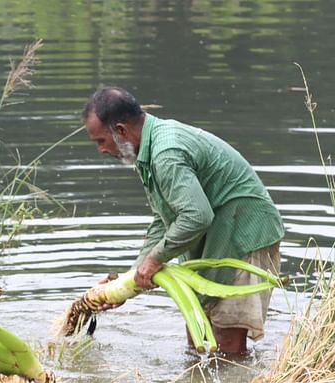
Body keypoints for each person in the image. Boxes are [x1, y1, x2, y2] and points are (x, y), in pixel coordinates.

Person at [82, 87, 284, 354]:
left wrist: (154, 260)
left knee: (226, 340)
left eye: (100, 141)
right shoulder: (148, 152)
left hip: (244, 234)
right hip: (216, 234)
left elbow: (196, 216)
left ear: (120, 131)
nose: (101, 150)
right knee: (196, 331)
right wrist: (129, 280)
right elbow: (162, 220)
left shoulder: (166, 153)